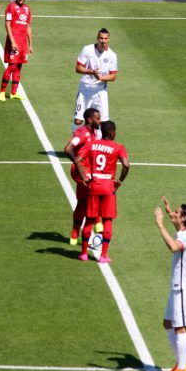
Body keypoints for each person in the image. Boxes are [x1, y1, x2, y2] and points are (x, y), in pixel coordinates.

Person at [74, 120, 129, 263]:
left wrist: (83, 177)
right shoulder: (118, 147)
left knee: (90, 219)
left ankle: (84, 254)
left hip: (94, 185)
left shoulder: (91, 144)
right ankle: (103, 256)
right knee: (107, 220)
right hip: (108, 186)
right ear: (111, 132)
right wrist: (120, 181)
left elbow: (78, 160)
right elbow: (126, 165)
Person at [154, 197, 186, 371]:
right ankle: (180, 364)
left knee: (180, 328)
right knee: (168, 323)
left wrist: (160, 225)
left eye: (177, 213)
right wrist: (169, 211)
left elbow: (173, 246)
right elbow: (178, 233)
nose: (174, 214)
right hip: (178, 286)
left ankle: (181, 369)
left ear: (184, 218)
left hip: (183, 288)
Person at [64, 108, 101, 246]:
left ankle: (74, 237)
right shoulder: (82, 132)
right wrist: (77, 163)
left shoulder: (94, 132)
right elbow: (67, 149)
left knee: (82, 203)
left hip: (87, 170)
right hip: (81, 171)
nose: (100, 121)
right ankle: (98, 224)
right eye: (98, 118)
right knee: (94, 197)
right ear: (90, 120)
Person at [72, 28, 118, 135]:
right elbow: (78, 68)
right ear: (97, 38)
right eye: (101, 38)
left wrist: (101, 78)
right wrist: (91, 72)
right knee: (78, 120)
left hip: (100, 91)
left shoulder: (112, 55)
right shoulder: (87, 49)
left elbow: (113, 76)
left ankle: (96, 145)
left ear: (109, 39)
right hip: (85, 89)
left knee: (102, 122)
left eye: (105, 38)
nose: (103, 41)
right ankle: (75, 141)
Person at [0, 0, 33, 102]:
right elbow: (7, 24)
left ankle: (13, 92)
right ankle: (2, 92)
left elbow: (28, 27)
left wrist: (31, 44)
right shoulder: (11, 7)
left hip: (23, 43)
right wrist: (12, 41)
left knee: (18, 67)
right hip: (14, 41)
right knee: (12, 66)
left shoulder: (28, 9)